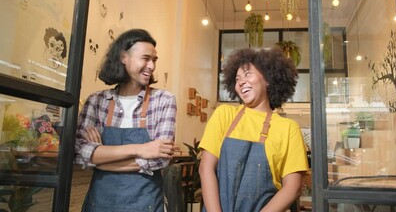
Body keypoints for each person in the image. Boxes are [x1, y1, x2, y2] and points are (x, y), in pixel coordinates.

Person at [75, 29, 177, 212]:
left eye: (154, 60)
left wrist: (100, 156)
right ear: (124, 57)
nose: (152, 66)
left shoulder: (164, 100)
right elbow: (80, 153)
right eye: (145, 58)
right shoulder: (97, 101)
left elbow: (160, 160)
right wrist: (141, 149)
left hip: (146, 204)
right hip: (100, 204)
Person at [199, 47, 309, 212]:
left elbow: (293, 187)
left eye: (247, 74)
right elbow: (205, 168)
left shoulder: (288, 129)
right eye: (237, 78)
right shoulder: (224, 115)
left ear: (268, 79)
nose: (241, 82)